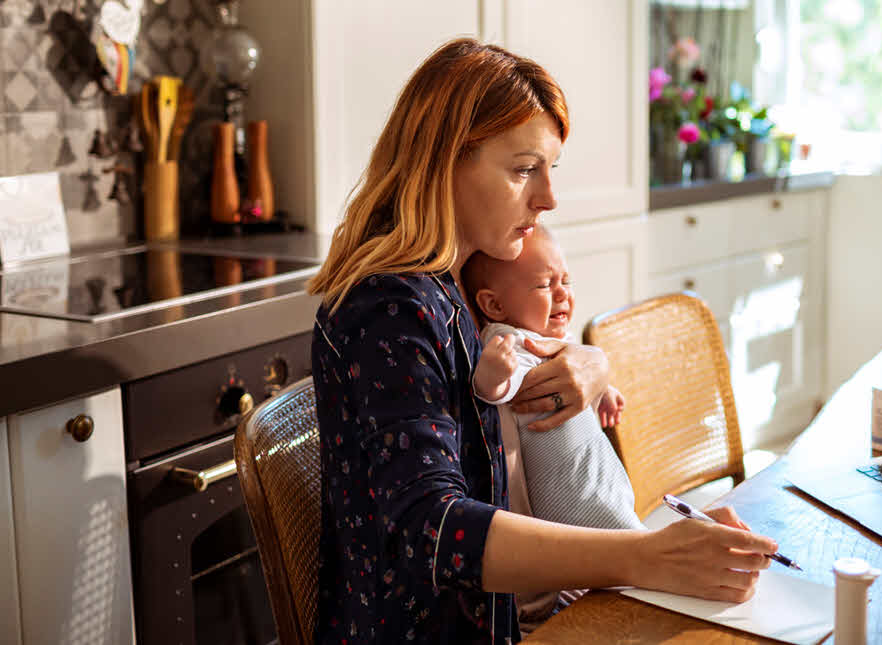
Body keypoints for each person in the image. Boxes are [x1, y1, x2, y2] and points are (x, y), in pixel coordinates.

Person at [307, 38, 777, 644]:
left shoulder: (449, 287)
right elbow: (433, 527)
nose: (548, 196)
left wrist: (587, 361)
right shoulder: (391, 311)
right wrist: (649, 557)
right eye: (524, 168)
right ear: (446, 160)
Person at [463, 226, 645, 531]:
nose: (563, 293)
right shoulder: (511, 341)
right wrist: (493, 376)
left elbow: (575, 375)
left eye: (565, 281)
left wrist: (603, 390)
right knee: (621, 541)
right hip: (568, 496)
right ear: (495, 306)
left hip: (593, 478)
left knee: (624, 526)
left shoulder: (547, 335)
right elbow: (496, 392)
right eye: (544, 285)